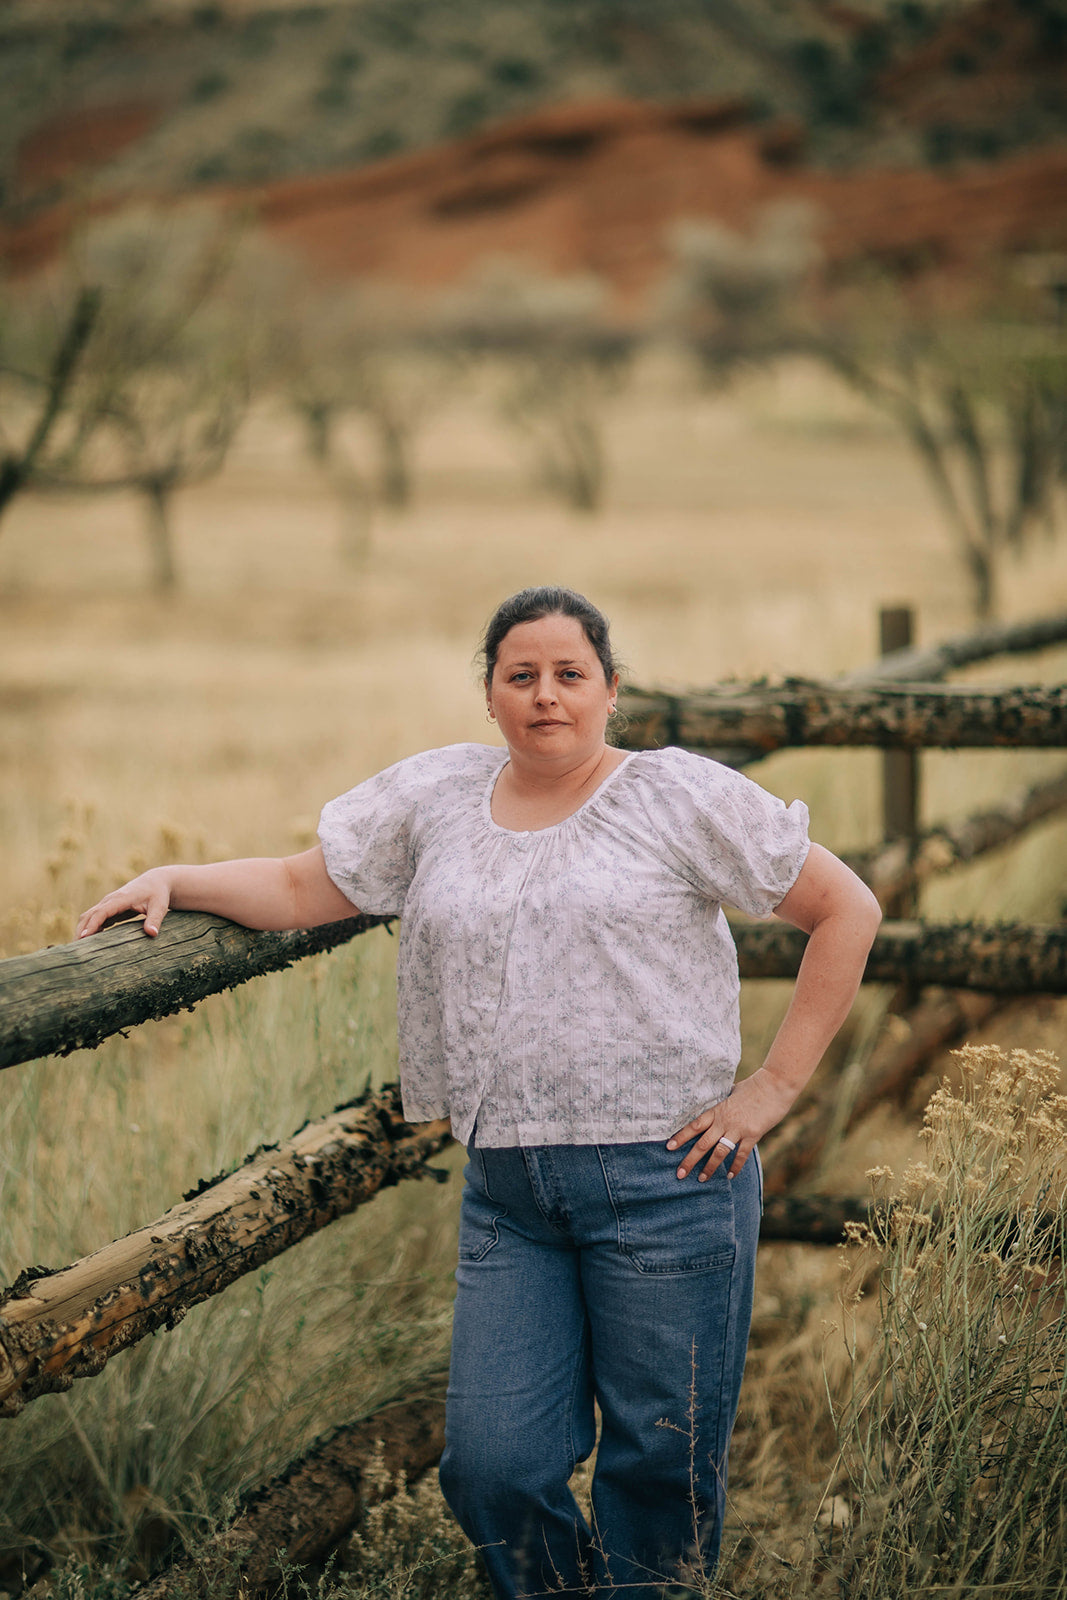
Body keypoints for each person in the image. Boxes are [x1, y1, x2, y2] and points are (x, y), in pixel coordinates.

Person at [77, 586, 881, 1599]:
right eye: (521, 675)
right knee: (491, 1466)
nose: (546, 695)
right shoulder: (438, 799)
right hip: (510, 1190)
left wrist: (770, 1086)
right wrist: (173, 877)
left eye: (569, 674)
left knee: (657, 1468)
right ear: (491, 693)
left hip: (667, 1180)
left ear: (609, 690)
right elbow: (294, 887)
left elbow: (842, 907)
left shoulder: (673, 796)